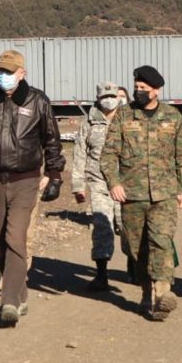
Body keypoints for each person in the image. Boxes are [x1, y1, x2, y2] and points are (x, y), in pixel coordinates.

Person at [0, 50, 65, 326]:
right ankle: (20, 292)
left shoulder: (38, 101)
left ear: (22, 73)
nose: (4, 76)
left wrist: (54, 174)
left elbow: (51, 140)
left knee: (15, 237)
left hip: (26, 180)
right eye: (1, 71)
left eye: (9, 71)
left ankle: (8, 301)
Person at [100, 65, 182, 321]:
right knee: (136, 248)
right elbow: (109, 154)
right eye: (137, 88)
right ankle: (146, 292)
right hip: (131, 194)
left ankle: (163, 291)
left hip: (164, 194)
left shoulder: (173, 117)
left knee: (161, 242)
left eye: (144, 89)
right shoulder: (123, 116)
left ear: (157, 90)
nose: (138, 92)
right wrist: (114, 183)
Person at [71, 81, 123, 291]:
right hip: (98, 181)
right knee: (102, 226)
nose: (109, 101)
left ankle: (134, 266)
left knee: (128, 227)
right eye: (104, 97)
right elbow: (80, 153)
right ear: (98, 99)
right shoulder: (89, 123)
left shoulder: (127, 119)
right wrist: (78, 185)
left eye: (112, 96)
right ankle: (102, 275)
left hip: (125, 182)